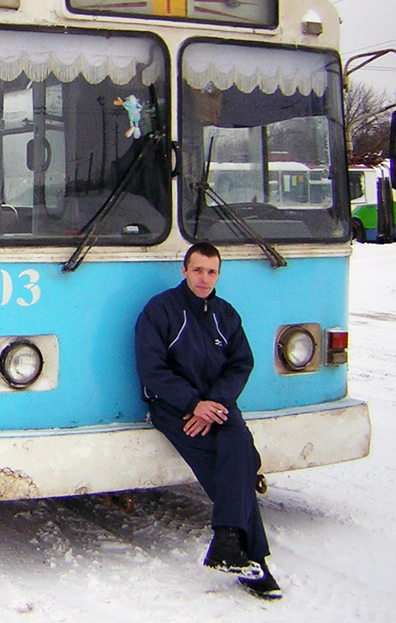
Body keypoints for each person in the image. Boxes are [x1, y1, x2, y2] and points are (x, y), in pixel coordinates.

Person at [134, 242, 282, 600]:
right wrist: (192, 403)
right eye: (198, 270)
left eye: (211, 272)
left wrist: (214, 402)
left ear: (218, 275)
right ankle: (256, 562)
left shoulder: (226, 315)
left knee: (239, 449)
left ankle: (229, 543)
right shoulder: (161, 310)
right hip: (175, 408)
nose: (204, 278)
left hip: (217, 405)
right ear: (184, 271)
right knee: (237, 467)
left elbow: (240, 364)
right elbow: (152, 371)